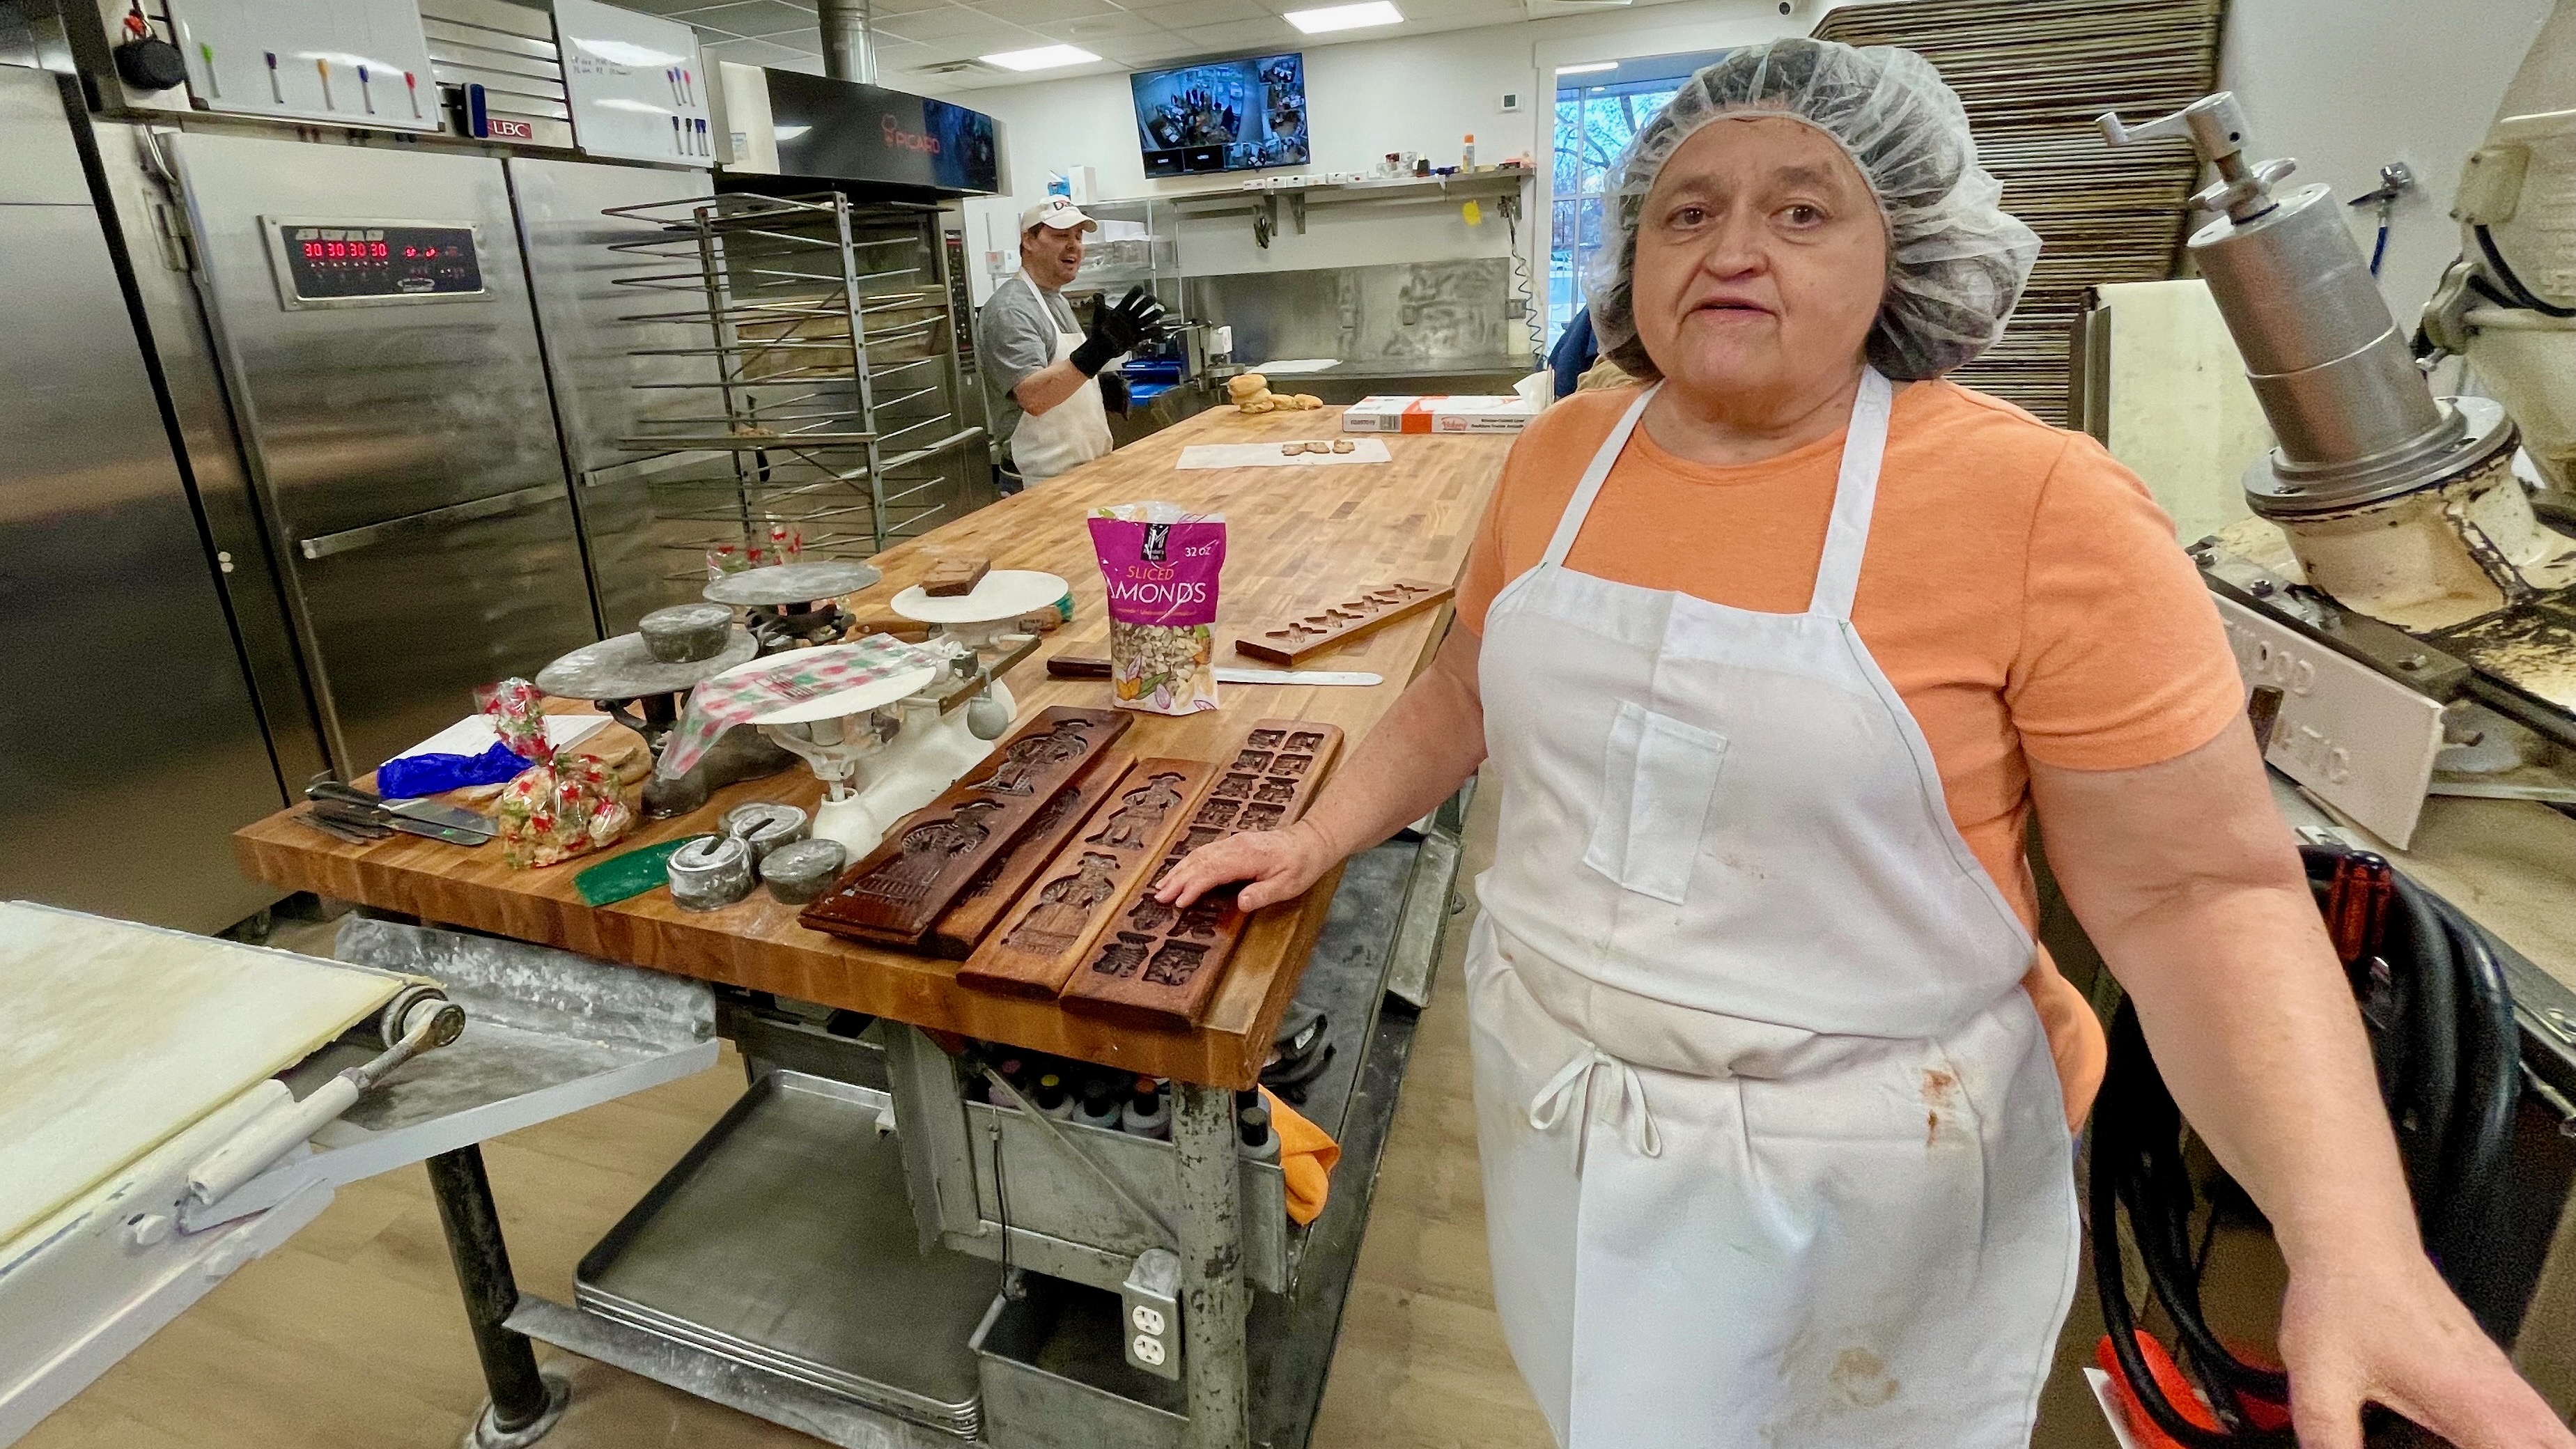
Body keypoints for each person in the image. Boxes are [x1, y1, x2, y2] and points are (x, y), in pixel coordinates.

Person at [1159, 38, 2573, 1449]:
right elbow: (1467, 681)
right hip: (1562, 1109)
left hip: (1857, 1179)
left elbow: (2201, 896)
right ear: (1633, 252)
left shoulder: (2037, 504)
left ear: (1903, 251)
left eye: (1801, 208)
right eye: (1687, 209)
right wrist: (1316, 828)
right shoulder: (1560, 457)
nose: (1731, 245)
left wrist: (2351, 1243)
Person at [975, 196, 1165, 492]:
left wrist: (1097, 387)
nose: (1074, 245)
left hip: (1081, 474)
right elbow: (1034, 397)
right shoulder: (1010, 310)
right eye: (1061, 235)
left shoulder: (1056, 299)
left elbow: (1063, 371)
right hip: (1038, 482)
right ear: (1029, 240)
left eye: (1078, 236)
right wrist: (1097, 351)